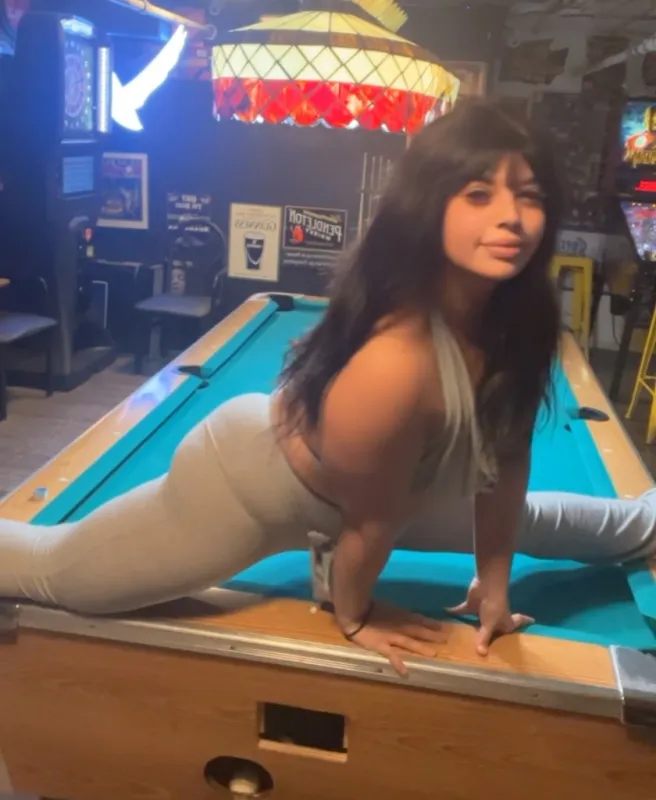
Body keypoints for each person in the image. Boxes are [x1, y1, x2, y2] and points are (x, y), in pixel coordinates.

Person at [1, 99, 655, 676]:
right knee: (57, 574)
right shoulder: (397, 366)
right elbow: (370, 525)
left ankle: (646, 525)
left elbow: (506, 463)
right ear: (430, 205)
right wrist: (354, 613)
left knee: (530, 517)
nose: (511, 218)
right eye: (479, 194)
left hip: (364, 488)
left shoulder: (520, 318)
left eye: (530, 196)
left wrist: (494, 581)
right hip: (252, 491)